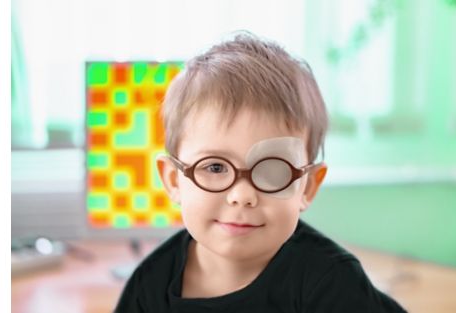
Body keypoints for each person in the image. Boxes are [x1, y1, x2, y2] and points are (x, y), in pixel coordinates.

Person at [115, 32, 407, 313]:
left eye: (273, 169)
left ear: (306, 187)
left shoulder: (330, 282)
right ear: (173, 179)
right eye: (214, 167)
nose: (242, 196)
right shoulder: (151, 284)